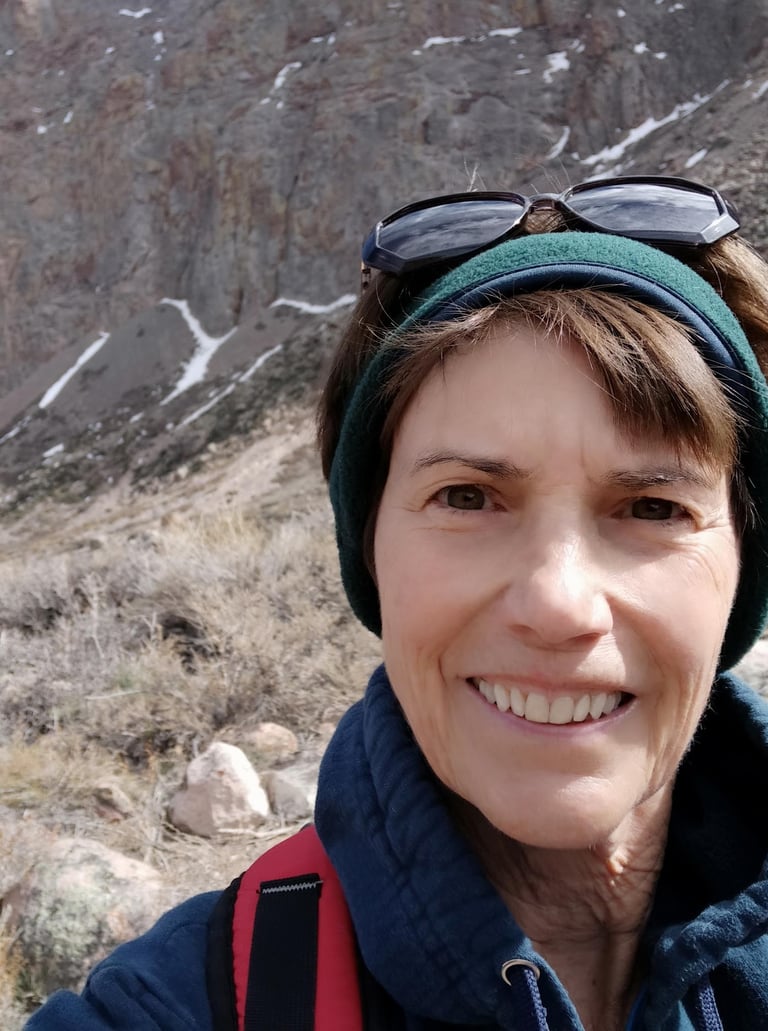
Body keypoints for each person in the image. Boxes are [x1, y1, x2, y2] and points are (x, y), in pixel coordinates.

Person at [23, 176, 768, 1030]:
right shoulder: (184, 1004)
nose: (560, 606)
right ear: (370, 547)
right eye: (466, 497)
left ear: (745, 565)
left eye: (652, 508)